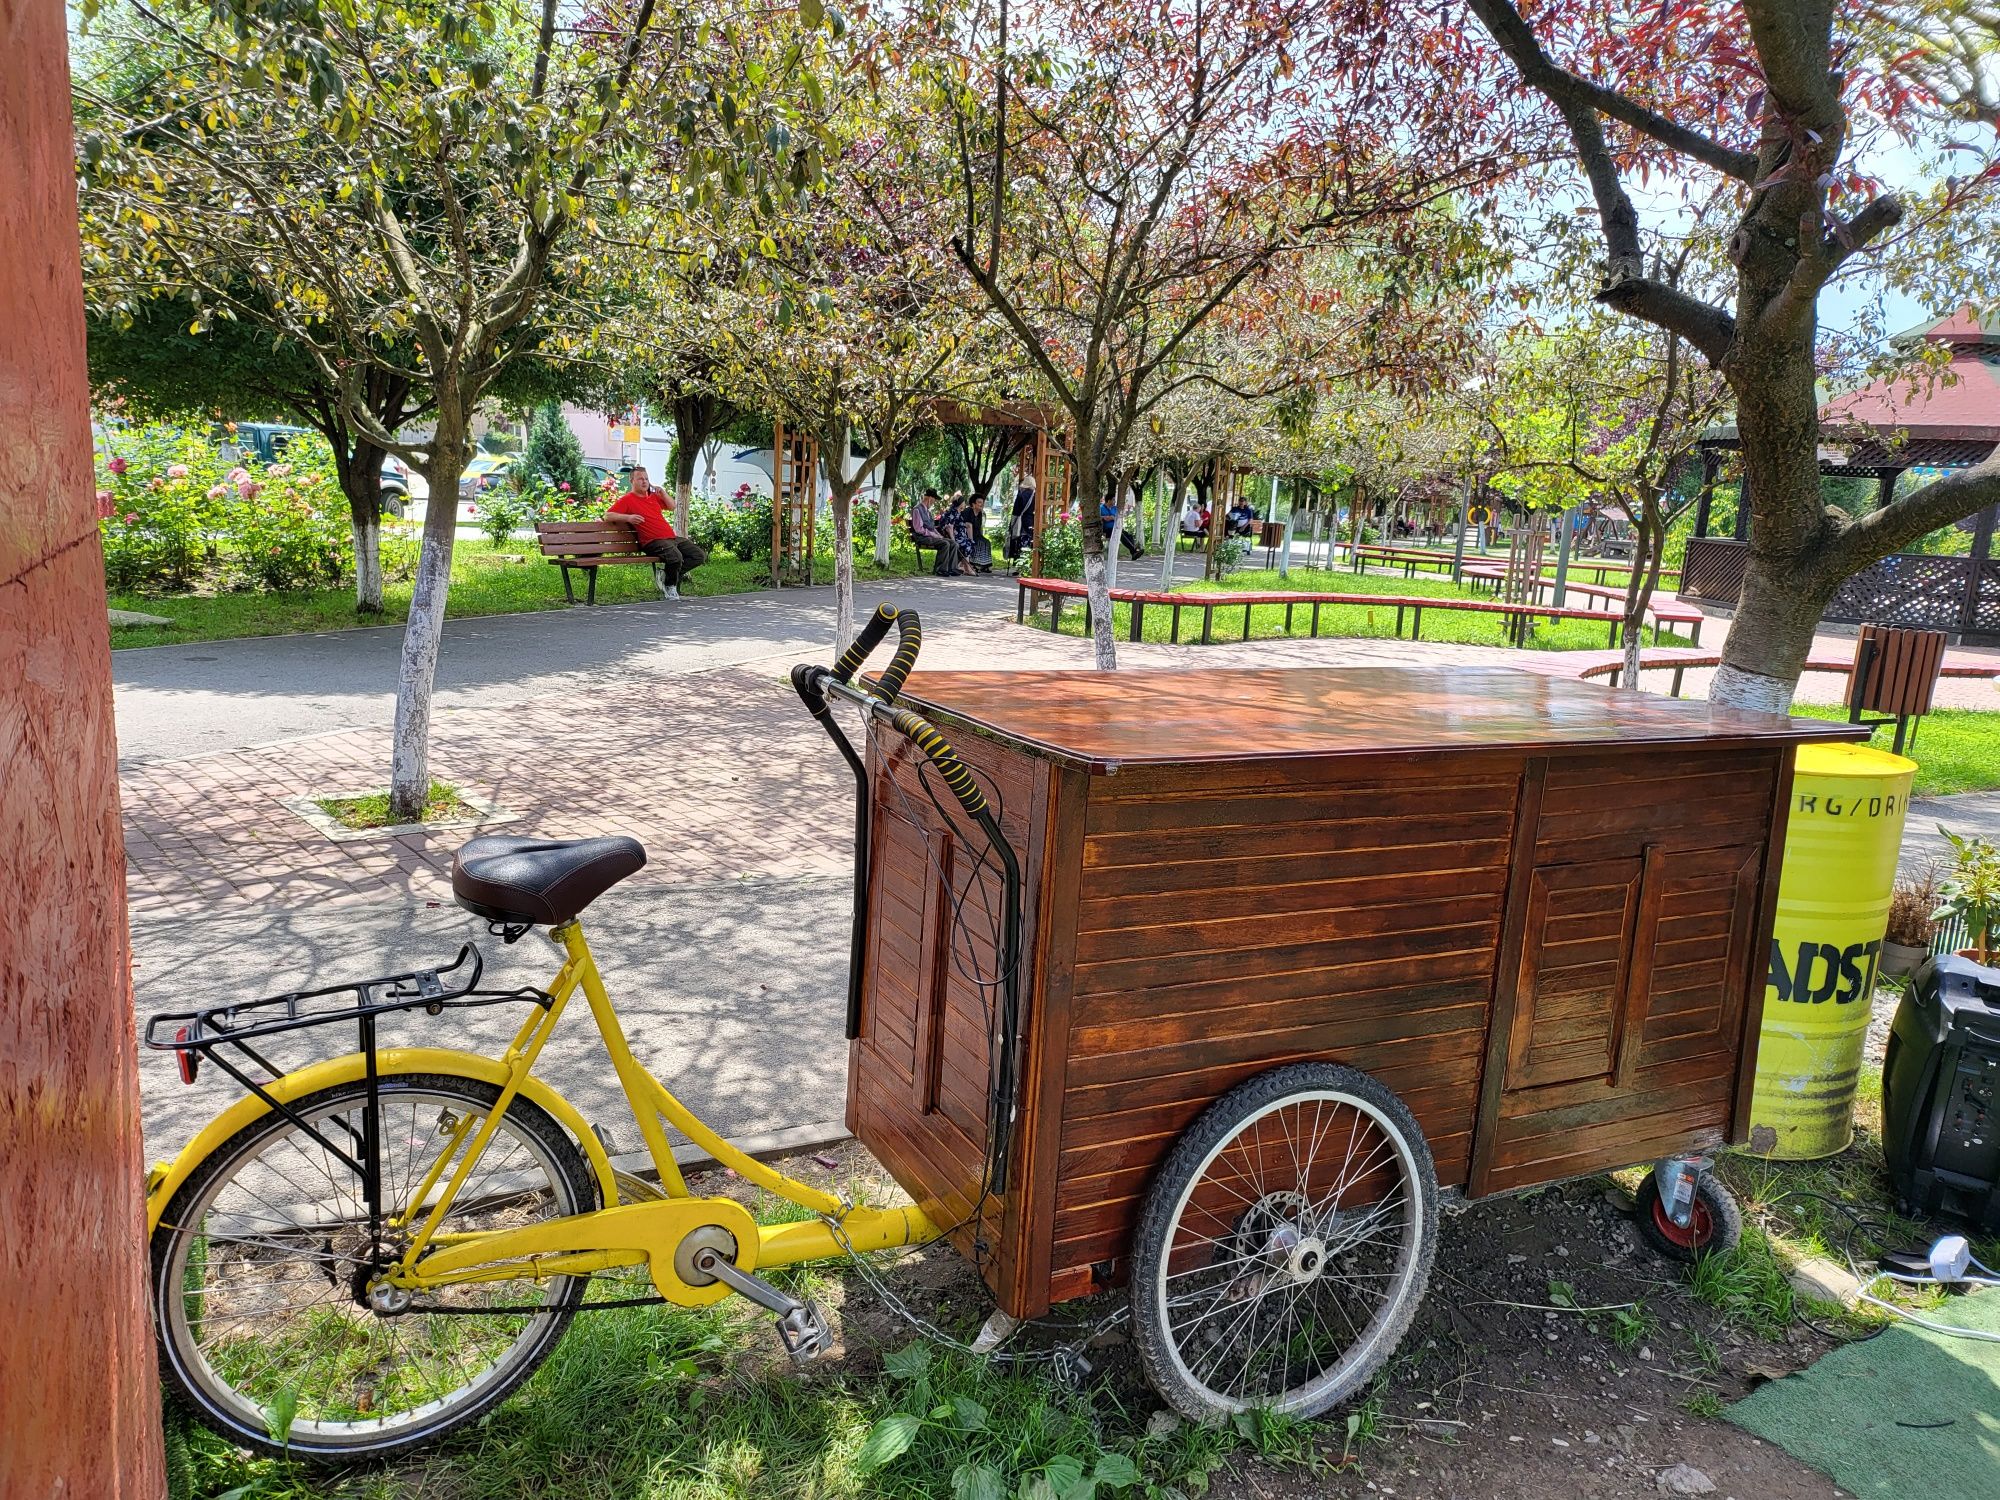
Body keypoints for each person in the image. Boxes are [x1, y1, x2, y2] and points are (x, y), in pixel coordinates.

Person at [607, 466, 706, 598]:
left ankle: (666, 575)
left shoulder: (653, 497)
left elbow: (672, 506)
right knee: (676, 557)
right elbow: (608, 516)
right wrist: (628, 517)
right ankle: (670, 586)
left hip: (670, 538)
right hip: (652, 541)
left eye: (646, 479)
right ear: (632, 481)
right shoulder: (627, 500)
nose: (644, 482)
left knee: (698, 555)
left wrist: (663, 493)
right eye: (640, 479)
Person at [910, 488, 960, 576]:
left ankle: (952, 568)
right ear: (930, 499)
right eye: (934, 500)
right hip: (922, 537)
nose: (934, 502)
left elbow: (932, 528)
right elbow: (919, 529)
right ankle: (940, 569)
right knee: (945, 544)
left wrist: (938, 535)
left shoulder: (928, 512)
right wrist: (934, 535)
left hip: (930, 537)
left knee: (953, 543)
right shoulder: (917, 510)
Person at [1100, 492, 1143, 560]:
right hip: (1107, 530)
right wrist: (1104, 517)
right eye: (1113, 500)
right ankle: (1134, 551)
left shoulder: (1114, 508)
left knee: (1129, 535)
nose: (1114, 502)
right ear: (1108, 500)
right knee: (1120, 534)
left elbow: (1119, 516)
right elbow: (1097, 517)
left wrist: (1114, 518)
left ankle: (1133, 553)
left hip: (1116, 528)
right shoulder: (1101, 508)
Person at [1007, 476, 1037, 562]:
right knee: (1030, 540)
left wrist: (1012, 524)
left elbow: (1016, 511)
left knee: (1019, 541)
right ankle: (1029, 563)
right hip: (1032, 521)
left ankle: (1018, 563)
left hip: (1020, 521)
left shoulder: (1021, 495)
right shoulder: (1036, 495)